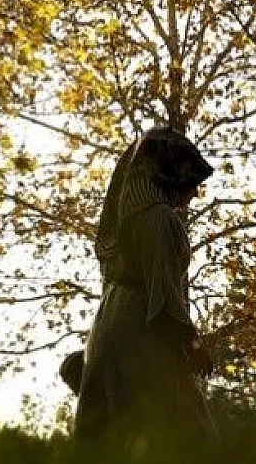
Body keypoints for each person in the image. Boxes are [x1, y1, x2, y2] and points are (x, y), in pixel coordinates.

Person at [72, 126, 217, 443]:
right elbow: (161, 292)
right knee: (181, 434)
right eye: (190, 181)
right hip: (142, 330)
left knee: (113, 433)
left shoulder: (130, 220)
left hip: (111, 324)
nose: (193, 192)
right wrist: (193, 346)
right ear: (169, 174)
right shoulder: (157, 218)